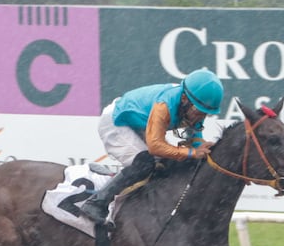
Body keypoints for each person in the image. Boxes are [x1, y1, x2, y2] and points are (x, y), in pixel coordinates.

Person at [77, 68, 224, 225]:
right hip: (116, 122)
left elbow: (195, 140)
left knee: (168, 165)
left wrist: (207, 150)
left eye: (205, 114)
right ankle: (96, 203)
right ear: (184, 99)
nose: (200, 117)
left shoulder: (192, 104)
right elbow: (155, 146)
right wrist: (191, 152)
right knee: (143, 163)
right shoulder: (164, 105)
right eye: (198, 111)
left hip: (140, 125)